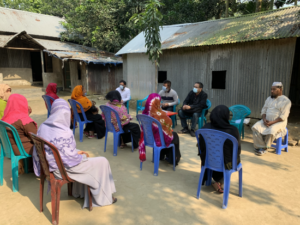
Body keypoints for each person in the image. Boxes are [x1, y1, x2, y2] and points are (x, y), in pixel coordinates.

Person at [32, 99, 117, 208]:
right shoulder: (65, 131)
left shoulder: (43, 126)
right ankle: (105, 199)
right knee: (103, 161)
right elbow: (71, 159)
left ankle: (81, 193)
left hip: (50, 167)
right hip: (63, 170)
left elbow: (58, 150)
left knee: (85, 157)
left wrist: (76, 152)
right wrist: (78, 155)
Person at [198, 105, 241, 193]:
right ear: (226, 116)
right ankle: (219, 182)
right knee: (227, 155)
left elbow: (201, 147)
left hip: (208, 160)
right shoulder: (232, 130)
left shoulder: (205, 128)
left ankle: (216, 181)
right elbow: (237, 150)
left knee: (215, 153)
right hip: (227, 164)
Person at [139, 93, 181, 165]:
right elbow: (169, 124)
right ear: (157, 102)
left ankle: (161, 156)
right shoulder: (161, 115)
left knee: (164, 133)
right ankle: (173, 159)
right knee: (174, 135)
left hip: (148, 138)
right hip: (157, 139)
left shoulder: (144, 113)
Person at [252, 82, 291, 156]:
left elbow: (284, 116)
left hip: (279, 122)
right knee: (255, 127)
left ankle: (264, 148)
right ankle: (261, 146)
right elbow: (263, 110)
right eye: (271, 89)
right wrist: (264, 119)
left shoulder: (286, 101)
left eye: (274, 89)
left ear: (280, 89)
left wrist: (272, 122)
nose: (271, 91)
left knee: (272, 130)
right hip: (266, 120)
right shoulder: (269, 99)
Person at [2, 94, 37, 174]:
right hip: (22, 149)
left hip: (9, 149)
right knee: (46, 145)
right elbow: (35, 137)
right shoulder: (24, 120)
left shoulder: (5, 118)